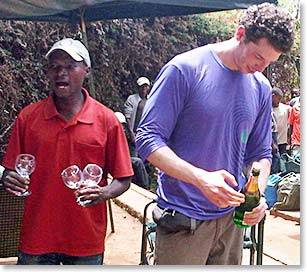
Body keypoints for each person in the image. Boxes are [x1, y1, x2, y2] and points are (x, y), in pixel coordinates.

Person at [136, 3, 294, 265]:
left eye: (269, 62)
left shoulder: (261, 87)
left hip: (231, 223)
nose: (261, 67)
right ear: (240, 33)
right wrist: (201, 179)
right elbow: (147, 138)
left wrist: (259, 194)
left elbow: (260, 152)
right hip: (184, 220)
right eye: (258, 57)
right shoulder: (185, 69)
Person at [0, 38, 133, 265]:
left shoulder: (106, 120)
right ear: (48, 73)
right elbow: (11, 171)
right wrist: (7, 177)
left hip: (85, 239)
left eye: (70, 66)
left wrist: (105, 193)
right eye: (55, 66)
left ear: (86, 71)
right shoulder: (28, 118)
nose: (61, 72)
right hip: (37, 237)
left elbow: (123, 178)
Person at [114, 112, 150, 190]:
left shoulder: (125, 135)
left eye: (123, 126)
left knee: (141, 159)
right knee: (137, 162)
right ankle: (145, 187)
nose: (122, 128)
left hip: (125, 158)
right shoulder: (111, 134)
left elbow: (131, 149)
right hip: (115, 160)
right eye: (120, 125)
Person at [124, 76, 150, 155]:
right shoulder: (132, 99)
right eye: (142, 87)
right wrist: (131, 133)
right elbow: (127, 116)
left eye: (145, 87)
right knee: (134, 156)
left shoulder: (151, 100)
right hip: (134, 133)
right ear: (138, 88)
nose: (144, 89)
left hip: (146, 134)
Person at [272, 88, 291, 155]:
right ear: (273, 96)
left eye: (280, 99)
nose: (279, 101)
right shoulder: (266, 109)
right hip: (271, 144)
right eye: (278, 98)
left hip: (282, 143)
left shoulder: (286, 108)